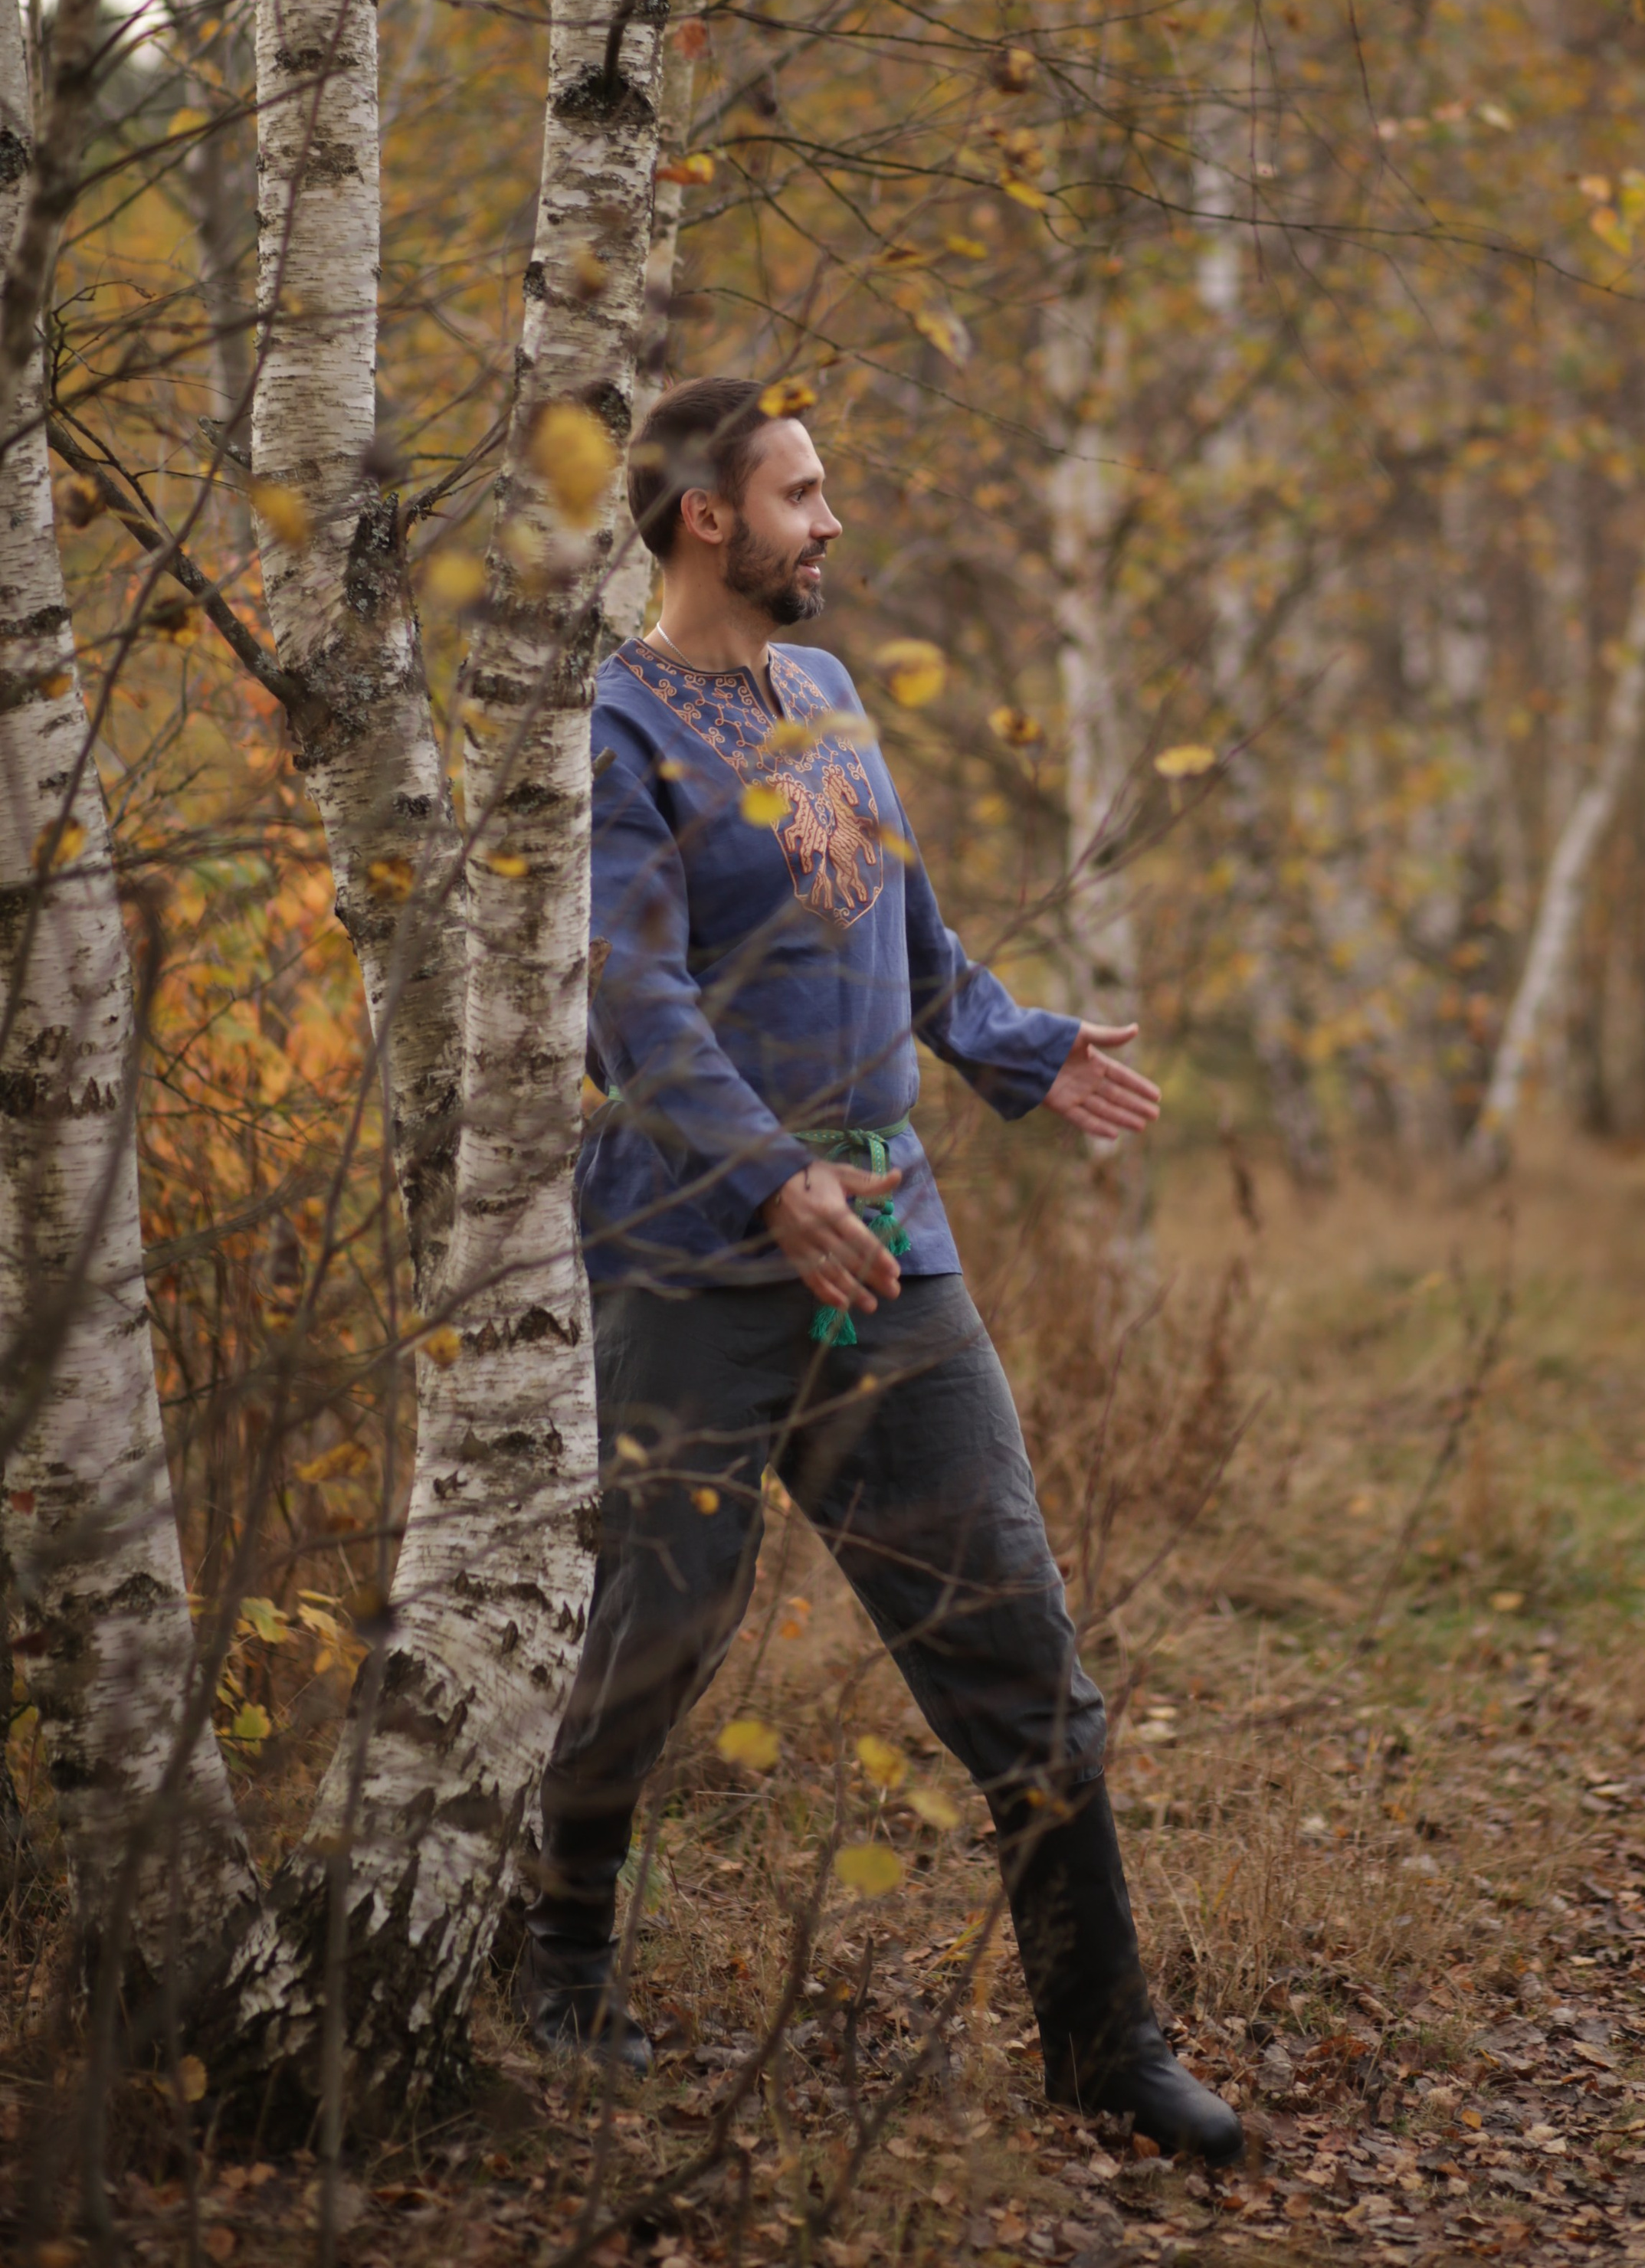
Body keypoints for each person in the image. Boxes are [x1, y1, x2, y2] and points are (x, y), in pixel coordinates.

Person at [522, 374, 1241, 2162]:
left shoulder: (827, 695)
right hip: (692, 1258)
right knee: (661, 1628)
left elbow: (905, 940)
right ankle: (561, 1959)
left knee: (1017, 1641)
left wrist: (1015, 1047)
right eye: (801, 494)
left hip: (892, 1248)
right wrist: (769, 1182)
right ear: (709, 518)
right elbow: (632, 998)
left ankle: (1104, 2044)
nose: (830, 521)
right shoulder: (618, 729)